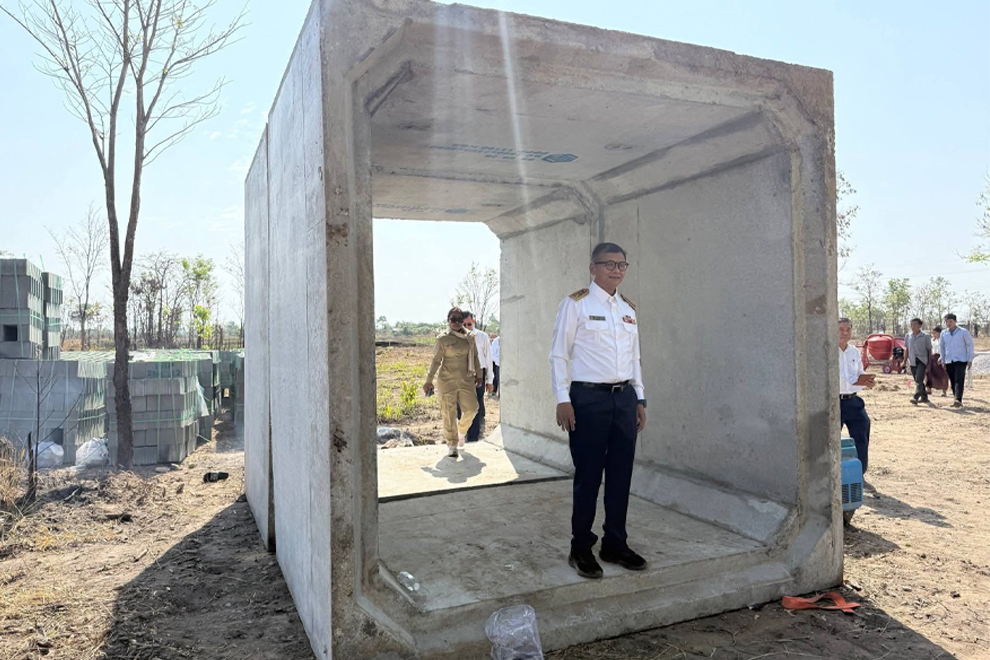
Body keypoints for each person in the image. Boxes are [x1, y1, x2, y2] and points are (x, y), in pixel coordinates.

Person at [550, 242, 647, 580]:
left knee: (621, 475)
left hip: (623, 399)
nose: (616, 270)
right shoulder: (575, 305)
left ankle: (615, 543)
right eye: (609, 264)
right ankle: (581, 548)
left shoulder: (628, 309)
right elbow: (559, 354)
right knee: (589, 476)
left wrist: (640, 398)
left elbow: (635, 358)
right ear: (593, 268)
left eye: (622, 264)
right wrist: (563, 398)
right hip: (587, 400)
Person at [423, 307, 482, 458]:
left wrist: (479, 374)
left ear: (463, 321)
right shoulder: (442, 339)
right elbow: (435, 361)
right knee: (448, 413)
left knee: (472, 409)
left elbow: (475, 357)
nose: (456, 322)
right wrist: (429, 380)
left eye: (459, 320)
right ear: (448, 321)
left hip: (466, 380)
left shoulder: (470, 337)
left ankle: (461, 432)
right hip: (446, 380)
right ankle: (452, 444)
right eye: (453, 319)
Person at [838, 317, 875, 473]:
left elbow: (860, 372)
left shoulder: (854, 351)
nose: (845, 333)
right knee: (829, 440)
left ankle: (860, 474)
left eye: (848, 329)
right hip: (834, 403)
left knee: (862, 436)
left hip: (853, 401)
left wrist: (866, 380)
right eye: (841, 330)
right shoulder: (826, 350)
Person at [458, 312, 494, 442]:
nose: (467, 326)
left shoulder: (482, 337)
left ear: (474, 322)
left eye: (469, 324)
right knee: (459, 406)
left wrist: (490, 380)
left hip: (478, 373)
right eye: (464, 324)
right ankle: (463, 431)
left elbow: (488, 359)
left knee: (476, 406)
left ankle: (473, 438)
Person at [939, 313, 974, 408]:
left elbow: (969, 345)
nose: (948, 323)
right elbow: (942, 347)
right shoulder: (943, 333)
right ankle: (956, 399)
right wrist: (943, 359)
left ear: (955, 322)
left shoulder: (963, 332)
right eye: (947, 322)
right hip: (949, 360)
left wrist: (970, 359)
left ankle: (958, 399)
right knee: (953, 380)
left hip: (961, 359)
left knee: (959, 379)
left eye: (950, 321)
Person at [905, 318, 932, 405]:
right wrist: (904, 361)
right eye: (912, 324)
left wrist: (929, 363)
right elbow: (907, 349)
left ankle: (915, 397)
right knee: (917, 380)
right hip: (912, 360)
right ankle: (924, 397)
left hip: (922, 360)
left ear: (920, 326)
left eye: (915, 324)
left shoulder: (925, 336)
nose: (913, 326)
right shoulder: (908, 336)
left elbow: (929, 350)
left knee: (919, 379)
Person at [926, 326, 949, 397]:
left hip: (941, 357)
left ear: (939, 333)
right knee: (929, 373)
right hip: (932, 358)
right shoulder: (932, 340)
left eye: (935, 333)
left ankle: (944, 391)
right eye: (933, 333)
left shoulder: (944, 340)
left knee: (943, 375)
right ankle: (929, 389)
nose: (933, 334)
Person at [490, 333, 501, 397]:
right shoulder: (496, 341)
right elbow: (492, 355)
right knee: (498, 380)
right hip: (499, 365)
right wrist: (501, 362)